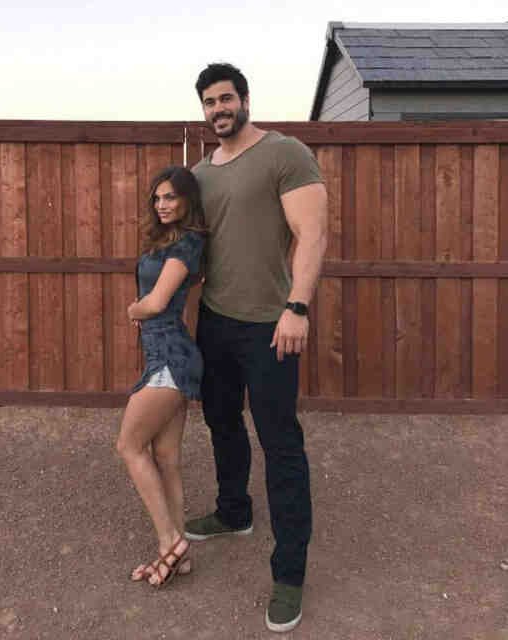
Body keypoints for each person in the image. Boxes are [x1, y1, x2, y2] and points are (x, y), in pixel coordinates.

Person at [186, 63, 328, 632]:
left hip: (271, 326)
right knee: (221, 421)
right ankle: (234, 511)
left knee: (280, 444)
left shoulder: (284, 153)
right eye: (209, 102)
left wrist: (298, 307)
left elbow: (312, 233)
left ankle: (289, 574)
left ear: (244, 99)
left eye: (226, 98)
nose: (218, 109)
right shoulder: (200, 173)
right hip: (215, 321)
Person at [116, 166, 206, 589]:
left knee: (129, 446)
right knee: (166, 457)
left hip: (169, 357)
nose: (162, 205)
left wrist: (134, 310)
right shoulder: (167, 240)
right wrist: (145, 306)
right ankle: (177, 554)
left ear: (187, 199)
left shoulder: (188, 243)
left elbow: (156, 303)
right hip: (165, 352)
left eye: (170, 197)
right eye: (157, 198)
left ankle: (171, 543)